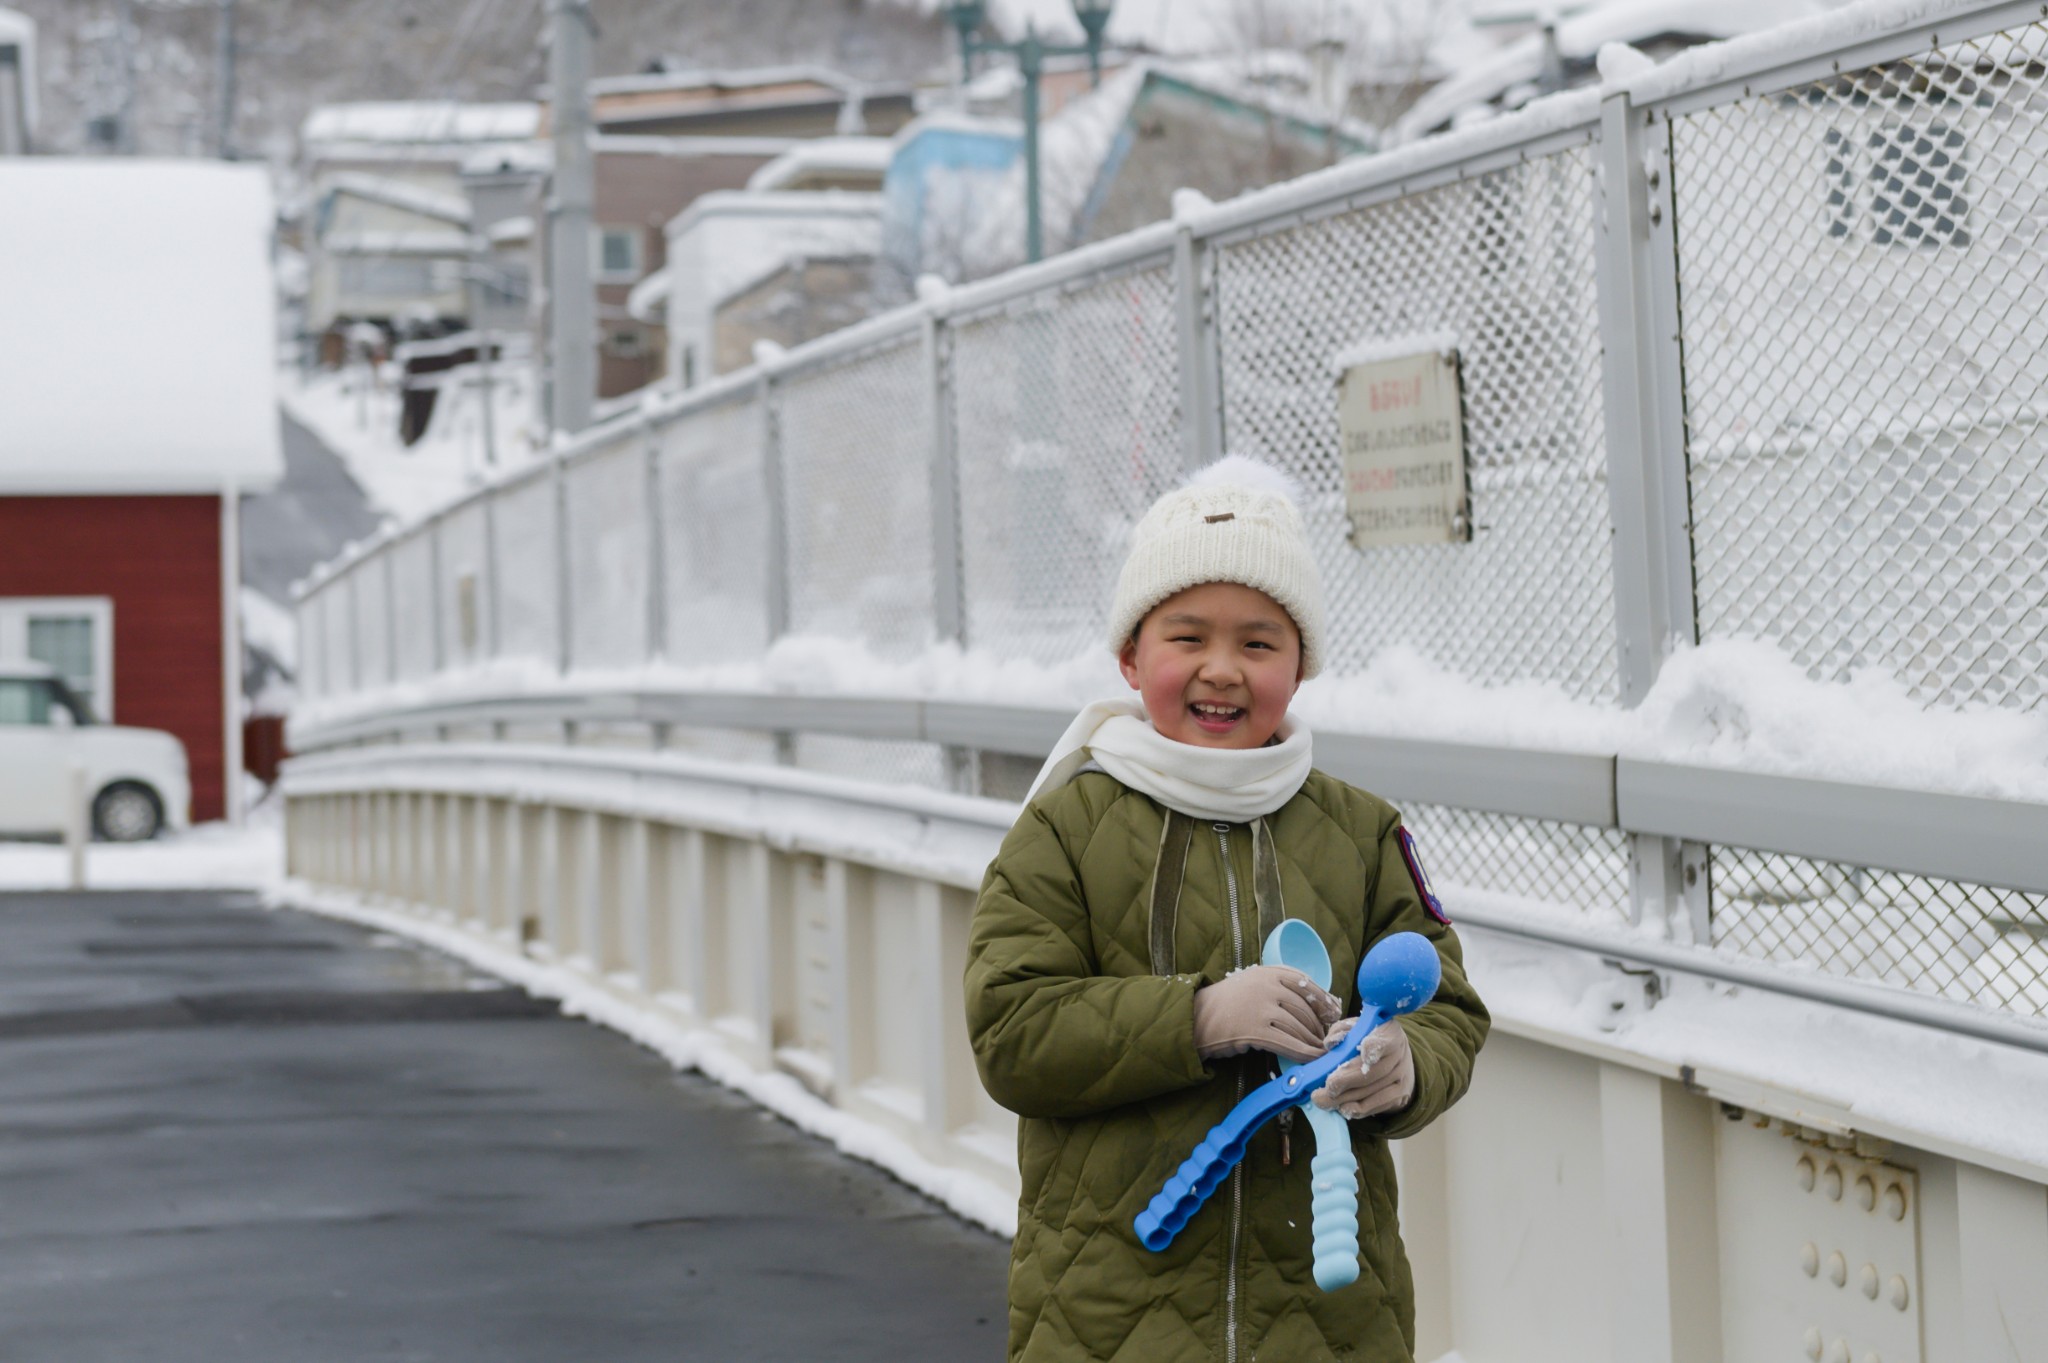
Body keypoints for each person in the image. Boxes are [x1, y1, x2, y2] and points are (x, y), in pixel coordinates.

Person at [964, 455, 1489, 1363]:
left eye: (1258, 642)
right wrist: (1198, 1015)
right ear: (1131, 655)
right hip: (1106, 1309)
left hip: (1329, 1314)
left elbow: (1448, 1006)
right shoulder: (1065, 824)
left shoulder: (1359, 830)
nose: (1222, 670)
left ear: (1300, 663)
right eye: (1186, 637)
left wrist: (1405, 1066)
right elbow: (1012, 1029)